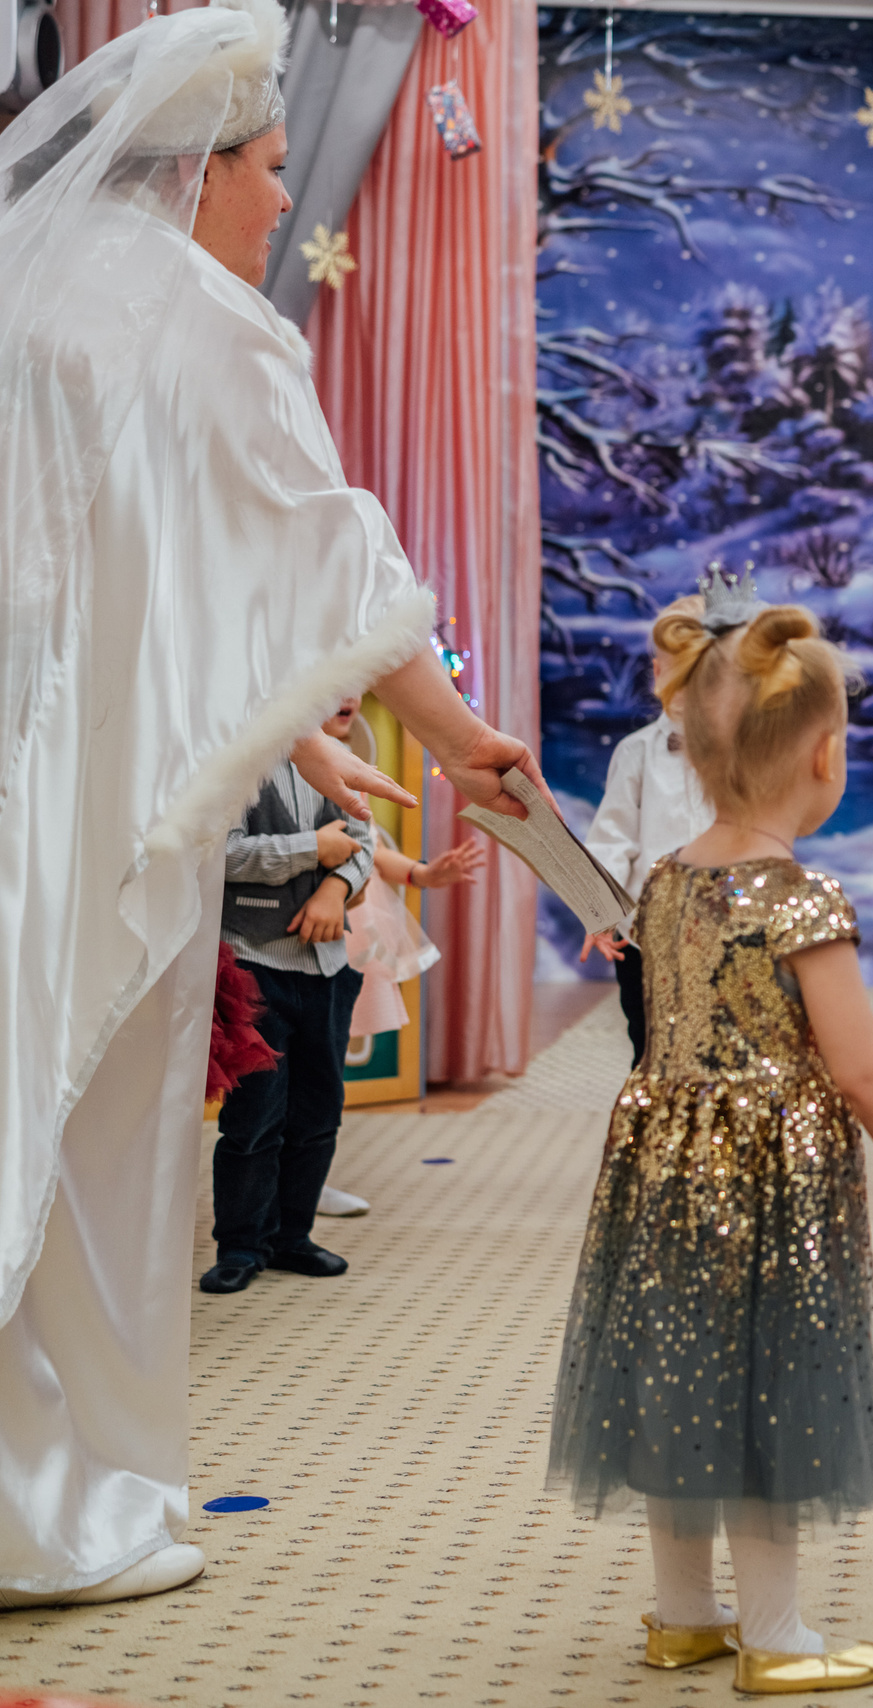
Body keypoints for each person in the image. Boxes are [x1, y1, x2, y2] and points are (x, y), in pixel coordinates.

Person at [0, 0, 546, 1607]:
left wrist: (306, 741)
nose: (276, 202)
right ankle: (58, 1506)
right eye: (268, 168)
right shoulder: (200, 318)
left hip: (25, 772)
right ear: (199, 173)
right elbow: (322, 549)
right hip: (113, 804)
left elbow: (133, 584)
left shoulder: (30, 299)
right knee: (105, 1137)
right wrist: (451, 732)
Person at [547, 592, 873, 1695]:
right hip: (767, 1178)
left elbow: (667, 1024)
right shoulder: (804, 898)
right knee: (765, 1391)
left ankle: (682, 1614)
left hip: (660, 1161)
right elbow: (862, 1071)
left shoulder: (661, 881)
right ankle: (778, 1634)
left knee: (677, 1378)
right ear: (825, 755)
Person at [200, 749, 378, 1294]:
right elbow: (219, 853)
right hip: (253, 963)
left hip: (325, 968)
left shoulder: (339, 765)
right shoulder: (240, 761)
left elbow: (365, 842)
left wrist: (335, 887)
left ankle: (291, 1236)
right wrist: (311, 850)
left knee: (319, 1111)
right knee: (254, 1118)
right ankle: (241, 1243)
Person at [324, 699, 484, 1218]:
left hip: (353, 925)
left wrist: (422, 874)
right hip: (303, 925)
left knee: (327, 1065)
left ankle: (310, 1176)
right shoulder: (286, 764)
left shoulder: (351, 761)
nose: (347, 697)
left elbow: (366, 844)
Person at [579, 593, 714, 1065]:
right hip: (644, 934)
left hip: (722, 932)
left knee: (715, 1049)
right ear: (656, 673)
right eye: (669, 668)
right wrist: (598, 911)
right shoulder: (636, 752)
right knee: (650, 1046)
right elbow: (613, 837)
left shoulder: (743, 753)